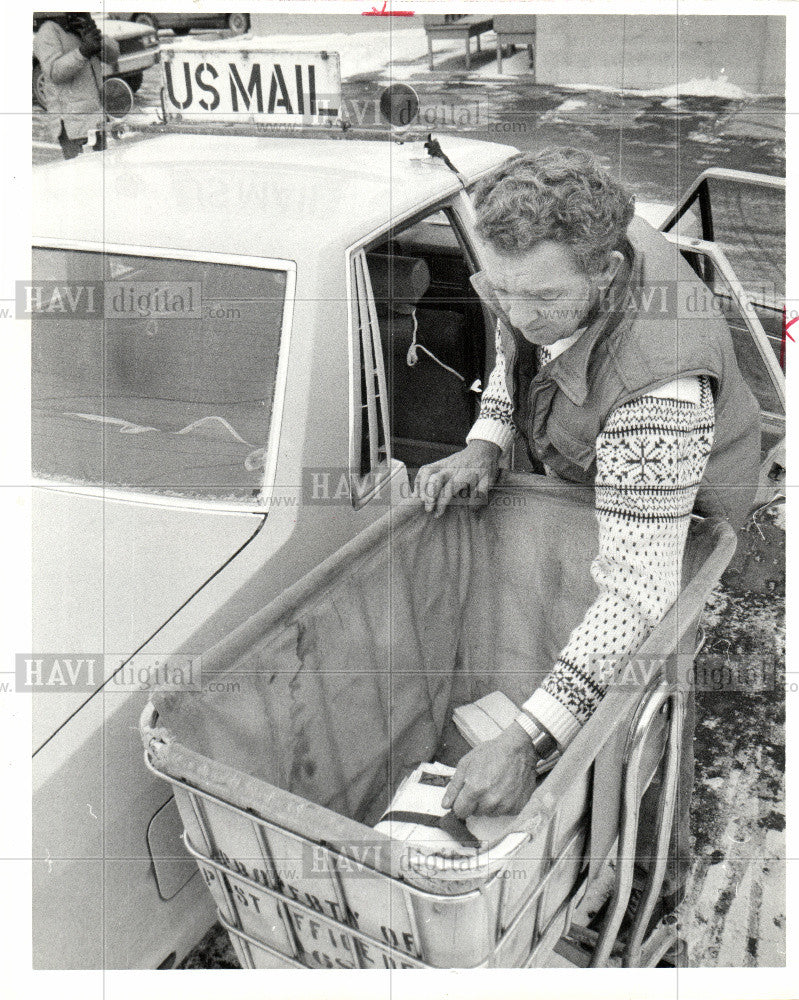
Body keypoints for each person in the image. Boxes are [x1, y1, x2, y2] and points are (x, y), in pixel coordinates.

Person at [416, 147, 761, 922]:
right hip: (589, 451)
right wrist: (488, 436)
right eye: (498, 288)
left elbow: (641, 590)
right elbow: (518, 347)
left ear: (606, 274)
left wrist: (525, 741)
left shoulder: (660, 389)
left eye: (539, 296)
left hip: (681, 505)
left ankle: (646, 878)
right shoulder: (541, 268)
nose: (514, 310)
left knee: (647, 701)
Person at [33, 13, 120, 160]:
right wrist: (82, 52)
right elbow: (54, 73)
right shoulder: (48, 32)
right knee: (84, 177)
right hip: (73, 125)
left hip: (96, 118)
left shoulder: (79, 30)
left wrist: (96, 36)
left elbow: (113, 56)